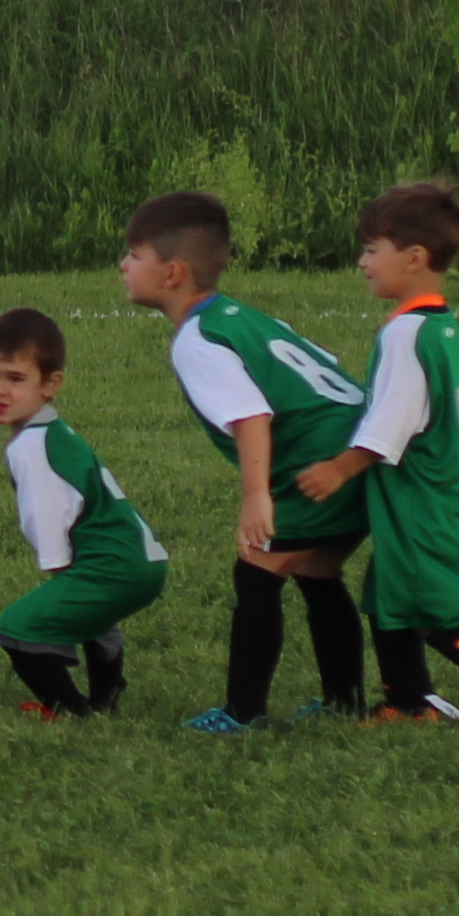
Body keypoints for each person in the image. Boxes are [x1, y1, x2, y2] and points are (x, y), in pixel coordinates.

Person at [289, 181, 459, 735]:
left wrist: (338, 469)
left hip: (426, 504)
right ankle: (408, 701)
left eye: (372, 249)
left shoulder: (406, 334)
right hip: (451, 495)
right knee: (391, 594)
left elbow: (391, 422)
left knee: (437, 613)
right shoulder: (444, 330)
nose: (362, 262)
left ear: (414, 259)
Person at [117, 190, 380, 733]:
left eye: (134, 255)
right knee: (317, 569)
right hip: (359, 453)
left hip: (325, 467)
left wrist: (256, 497)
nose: (123, 265)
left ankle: (242, 713)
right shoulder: (238, 317)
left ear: (172, 273)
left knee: (256, 573)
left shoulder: (199, 339)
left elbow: (250, 416)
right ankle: (344, 699)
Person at [0, 308, 169, 717]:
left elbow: (45, 513)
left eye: (15, 378)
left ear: (51, 385)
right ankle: (105, 698)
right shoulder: (54, 432)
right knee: (90, 615)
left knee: (18, 627)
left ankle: (70, 710)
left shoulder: (31, 446)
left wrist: (57, 568)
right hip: (142, 562)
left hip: (118, 566)